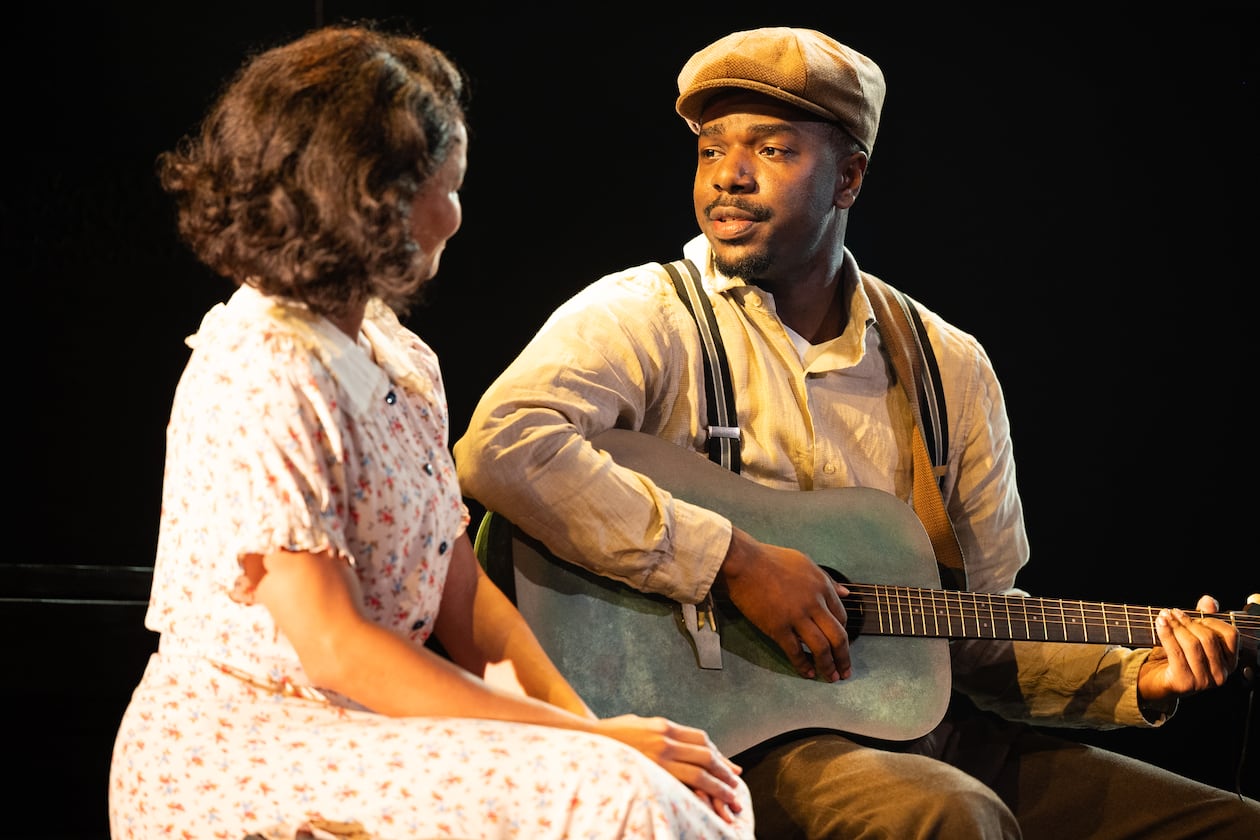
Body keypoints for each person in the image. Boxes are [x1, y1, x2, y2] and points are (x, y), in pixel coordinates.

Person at [454, 26, 1260, 839]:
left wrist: (1138, 677)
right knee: (950, 816)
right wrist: (734, 561)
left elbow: (978, 631)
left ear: (849, 177)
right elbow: (503, 445)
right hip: (736, 743)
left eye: (771, 149)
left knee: (1229, 824)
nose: (729, 175)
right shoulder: (642, 316)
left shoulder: (947, 365)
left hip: (923, 731)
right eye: (712, 150)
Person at [107, 24, 756, 840]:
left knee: (689, 790)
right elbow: (338, 647)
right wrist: (595, 747)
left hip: (361, 731)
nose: (454, 216)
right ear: (369, 200)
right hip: (250, 751)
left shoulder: (399, 359)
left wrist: (597, 732)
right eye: (444, 189)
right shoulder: (263, 368)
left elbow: (462, 597)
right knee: (621, 799)